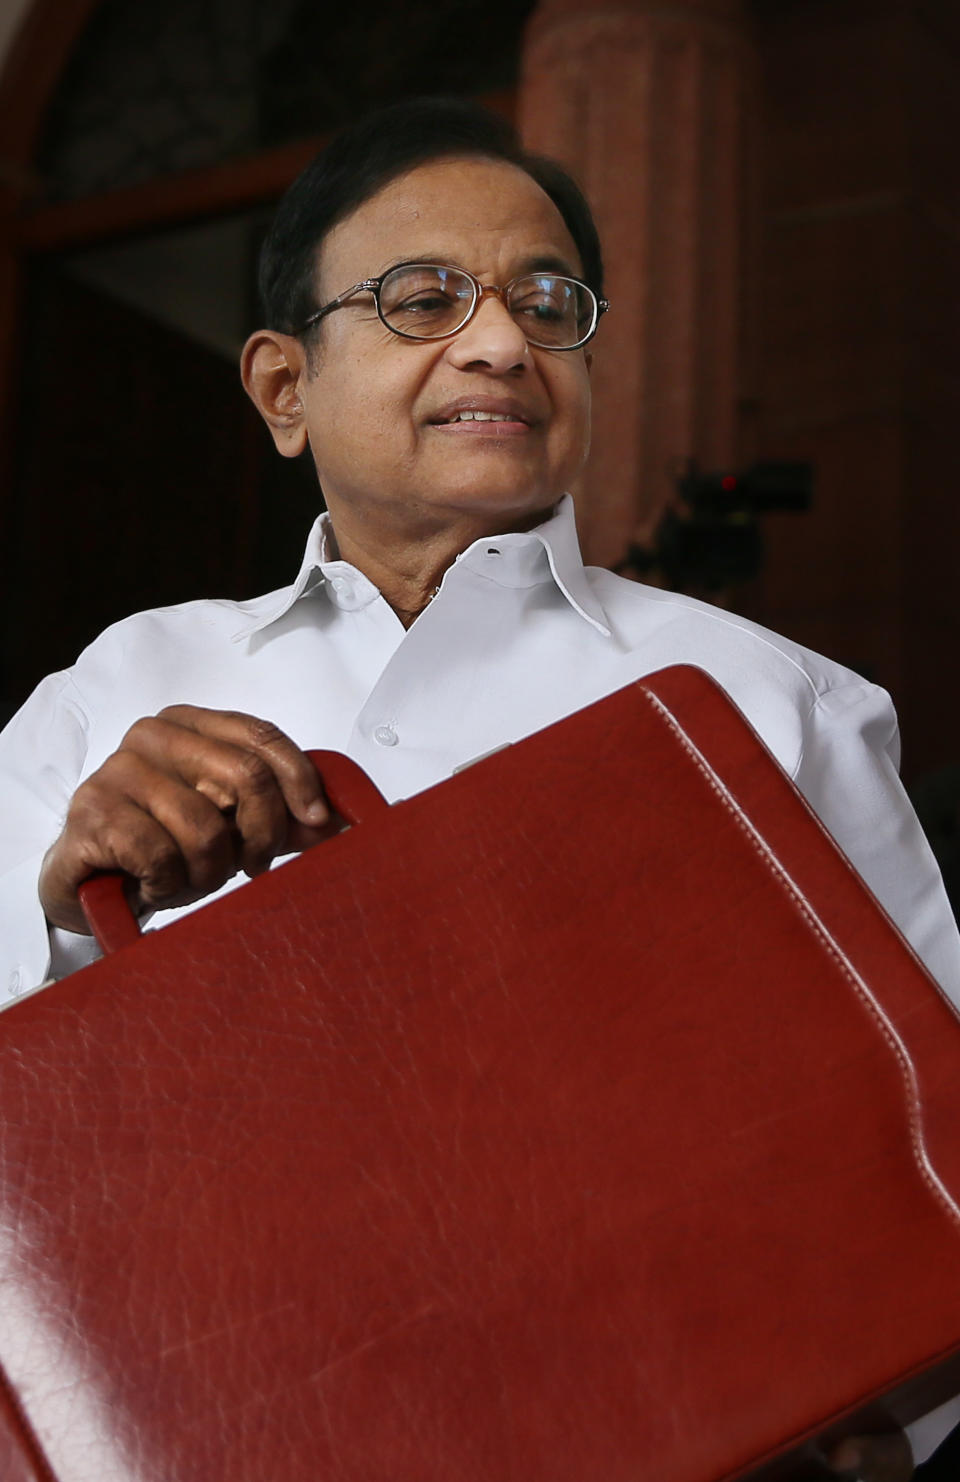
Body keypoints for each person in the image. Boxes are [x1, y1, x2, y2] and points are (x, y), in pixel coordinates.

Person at [0, 97, 957, 1477]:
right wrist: (68, 909)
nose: (505, 341)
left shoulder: (770, 703)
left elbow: (931, 1152)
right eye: (423, 296)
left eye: (549, 300)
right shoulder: (114, 694)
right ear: (283, 387)